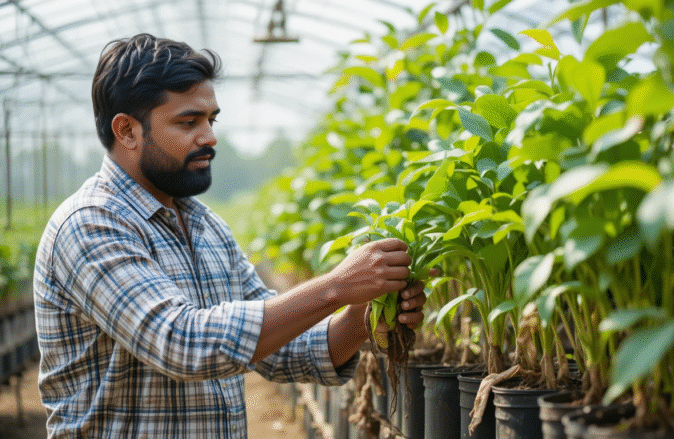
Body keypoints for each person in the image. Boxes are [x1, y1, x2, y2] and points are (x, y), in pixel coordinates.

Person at [33, 33, 427, 439]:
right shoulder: (88, 224)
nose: (209, 137)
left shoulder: (207, 228)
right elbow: (181, 342)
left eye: (211, 119)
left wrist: (363, 317)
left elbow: (282, 352)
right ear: (127, 131)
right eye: (188, 122)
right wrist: (337, 287)